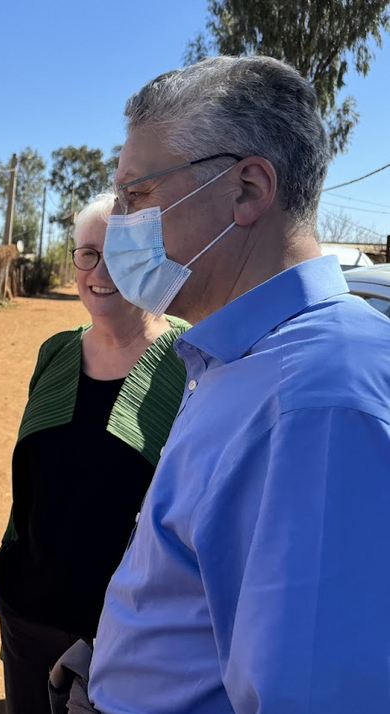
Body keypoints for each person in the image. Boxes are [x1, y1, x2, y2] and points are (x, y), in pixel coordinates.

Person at [80, 56, 390, 714]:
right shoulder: (236, 357)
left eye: (137, 196)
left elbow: (313, 697)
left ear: (247, 189)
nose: (121, 226)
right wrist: (117, 654)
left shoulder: (317, 401)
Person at [0, 194, 188, 714]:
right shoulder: (55, 351)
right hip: (26, 612)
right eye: (87, 254)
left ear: (150, 257)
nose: (99, 271)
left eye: (118, 254)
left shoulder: (193, 358)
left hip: (124, 636)